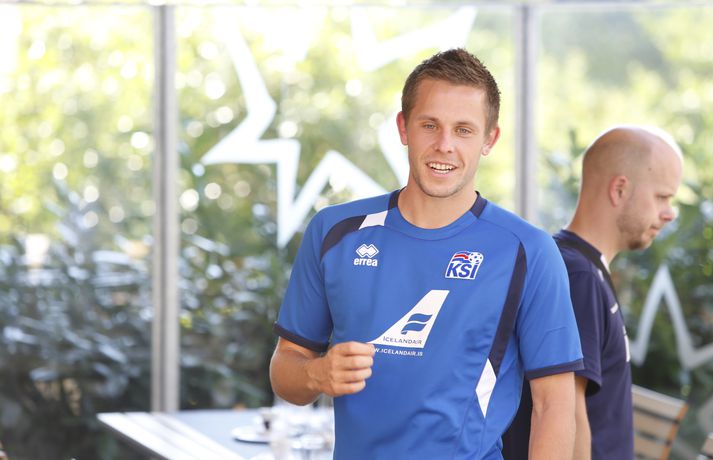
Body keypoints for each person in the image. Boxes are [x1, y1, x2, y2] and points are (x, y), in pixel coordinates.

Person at [269, 48, 583, 459]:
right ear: (404, 128)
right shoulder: (335, 232)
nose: (444, 145)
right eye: (429, 125)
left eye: (464, 130)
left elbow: (554, 405)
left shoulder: (528, 251)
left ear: (489, 139)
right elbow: (286, 369)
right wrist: (316, 374)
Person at [502, 126, 684, 460]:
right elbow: (567, 414)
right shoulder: (579, 277)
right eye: (662, 197)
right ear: (620, 189)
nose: (669, 213)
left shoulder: (576, 267)